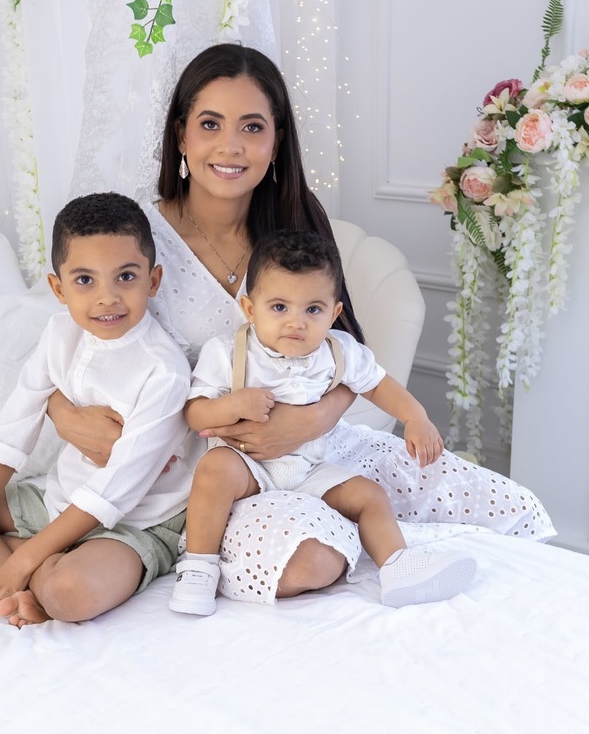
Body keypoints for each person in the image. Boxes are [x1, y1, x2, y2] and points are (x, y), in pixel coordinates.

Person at [45, 43, 555, 606]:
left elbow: (347, 354)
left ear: (276, 140)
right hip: (206, 470)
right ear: (181, 134)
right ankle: (217, 553)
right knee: (310, 560)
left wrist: (306, 422)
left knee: (489, 501)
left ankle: (400, 555)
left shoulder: (294, 221)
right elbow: (67, 340)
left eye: (252, 127)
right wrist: (61, 412)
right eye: (210, 123)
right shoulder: (136, 231)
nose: (230, 146)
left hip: (315, 445)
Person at [0, 192, 197, 627]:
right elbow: (10, 435)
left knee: (68, 594)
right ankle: (23, 573)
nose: (107, 298)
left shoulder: (164, 371)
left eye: (126, 277)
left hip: (137, 520)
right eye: (85, 281)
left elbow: (112, 493)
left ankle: (25, 572)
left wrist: (16, 566)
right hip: (59, 498)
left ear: (152, 281)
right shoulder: (59, 334)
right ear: (57, 288)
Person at [170, 230, 477, 616]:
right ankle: (198, 567)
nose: (296, 323)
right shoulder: (230, 351)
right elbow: (195, 413)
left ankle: (397, 566)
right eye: (279, 307)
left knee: (370, 496)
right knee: (214, 468)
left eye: (312, 310)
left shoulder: (338, 350)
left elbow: (379, 384)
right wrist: (233, 405)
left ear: (334, 313)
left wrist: (416, 417)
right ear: (251, 309)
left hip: (309, 468)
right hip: (249, 467)